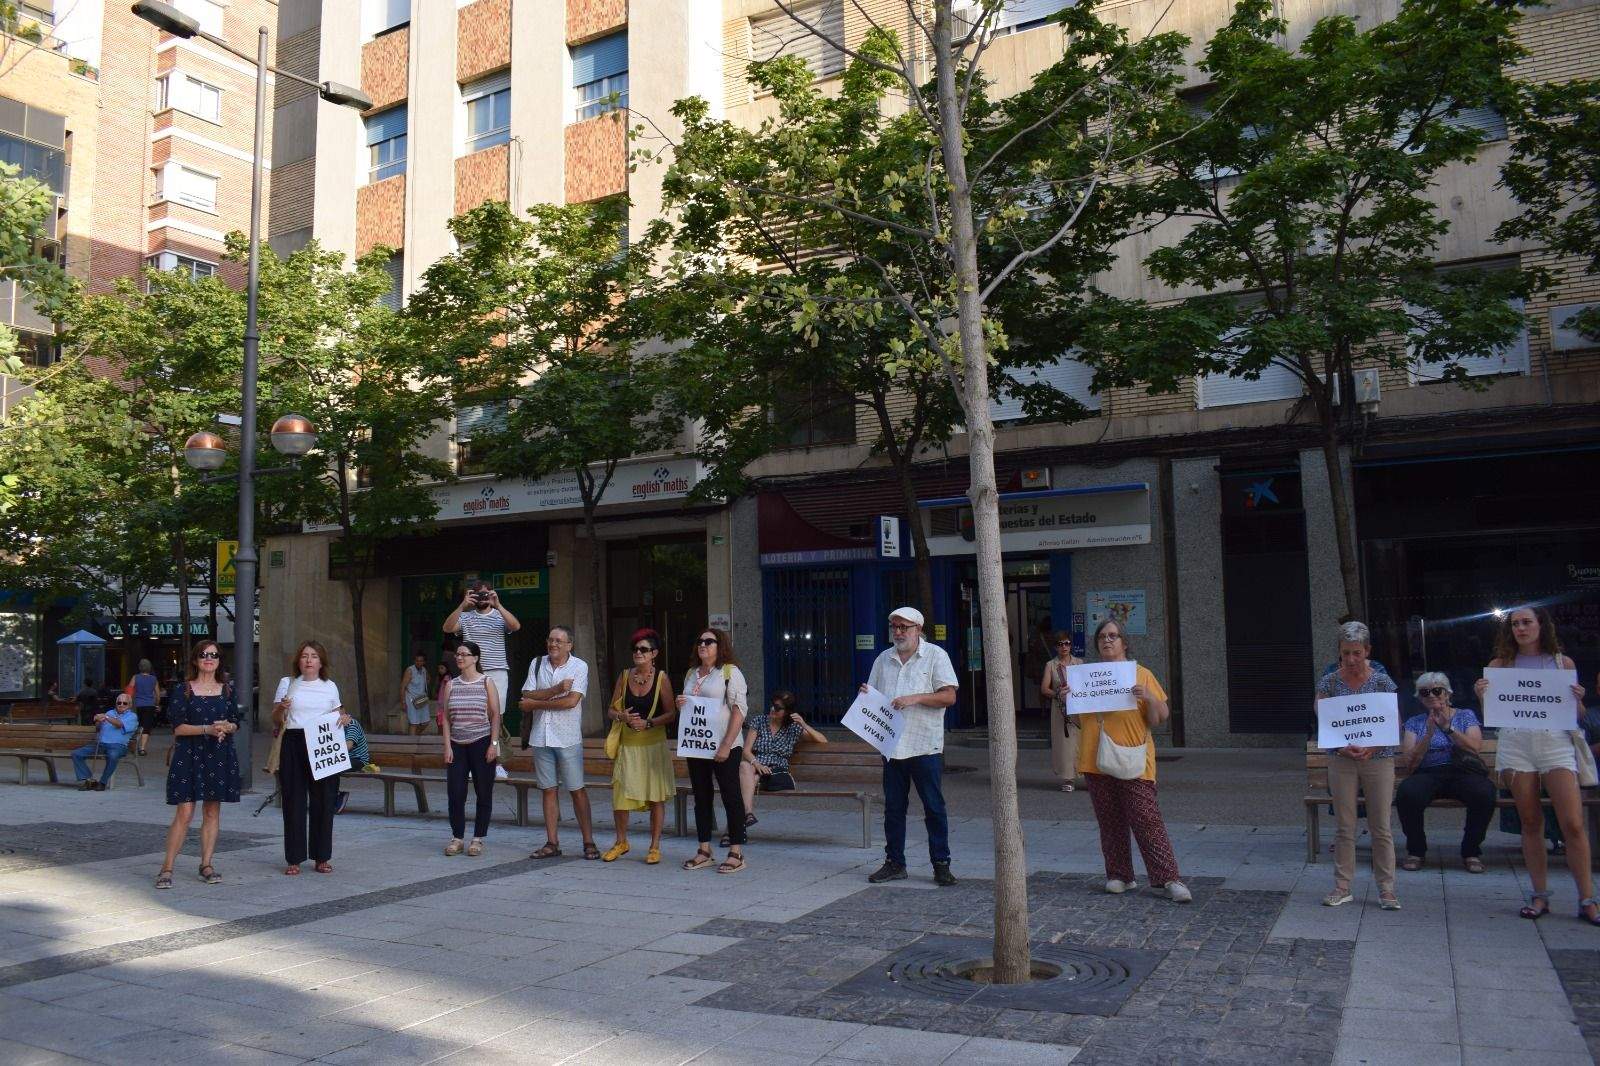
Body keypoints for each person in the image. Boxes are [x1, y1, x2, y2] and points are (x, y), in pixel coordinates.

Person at [1474, 606, 1593, 923]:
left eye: (1527, 622)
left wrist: (1578, 699)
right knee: (1530, 821)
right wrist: (1482, 695)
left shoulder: (1562, 663)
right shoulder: (1500, 665)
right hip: (1517, 743)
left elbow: (1577, 715)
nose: (1521, 629)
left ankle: (1587, 898)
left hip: (1555, 742)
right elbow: (1494, 714)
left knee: (1573, 823)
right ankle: (1540, 896)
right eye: (1515, 624)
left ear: (1541, 625)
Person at [1068, 619, 1192, 903]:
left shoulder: (1141, 674)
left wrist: (1148, 697)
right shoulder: (1086, 677)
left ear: (1124, 642)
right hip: (1095, 758)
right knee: (1109, 820)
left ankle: (1168, 878)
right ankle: (1120, 875)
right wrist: (1069, 699)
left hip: (1133, 757)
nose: (1107, 640)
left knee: (1146, 819)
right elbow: (1078, 721)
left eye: (1113, 636)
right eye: (1102, 636)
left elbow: (1159, 717)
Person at [862, 607, 959, 887]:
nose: (898, 632)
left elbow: (949, 696)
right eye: (894, 627)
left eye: (904, 627)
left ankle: (941, 864)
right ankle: (894, 862)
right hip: (892, 746)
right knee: (893, 808)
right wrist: (866, 697)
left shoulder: (936, 656)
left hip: (924, 744)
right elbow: (874, 696)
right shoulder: (883, 659)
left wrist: (914, 698)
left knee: (933, 807)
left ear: (918, 629)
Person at [1315, 620, 1400, 910]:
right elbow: (1323, 716)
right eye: (1345, 653)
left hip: (1378, 759)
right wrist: (1341, 746)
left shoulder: (1382, 681)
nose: (1351, 659)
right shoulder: (1329, 682)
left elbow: (1393, 721)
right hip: (1342, 759)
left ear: (1367, 651)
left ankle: (1386, 888)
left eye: (1356, 653)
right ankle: (1342, 886)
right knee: (1344, 825)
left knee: (1381, 826)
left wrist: (1372, 747)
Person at [156, 641, 240, 888]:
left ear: (219, 660)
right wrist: (208, 729)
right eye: (204, 654)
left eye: (214, 655)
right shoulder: (183, 690)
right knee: (184, 812)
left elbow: (235, 721)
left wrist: (227, 727)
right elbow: (178, 727)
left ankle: (206, 864)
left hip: (218, 754)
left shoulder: (227, 690)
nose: (209, 658)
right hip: (189, 754)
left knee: (212, 811)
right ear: (195, 660)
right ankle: (167, 867)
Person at [1395, 672, 1495, 873]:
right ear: (1420, 698)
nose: (1431, 695)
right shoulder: (1415, 722)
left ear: (1447, 693)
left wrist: (1448, 728)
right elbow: (1410, 763)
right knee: (1407, 792)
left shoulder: (1465, 715)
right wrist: (1428, 734)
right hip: (1428, 772)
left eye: (1437, 690)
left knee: (1484, 793)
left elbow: (1475, 747)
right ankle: (1416, 850)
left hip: (1463, 771)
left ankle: (1471, 851)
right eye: (1425, 692)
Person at [269, 641, 348, 876]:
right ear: (298, 660)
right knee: (293, 800)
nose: (309, 660)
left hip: (322, 743)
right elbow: (276, 718)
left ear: (321, 662)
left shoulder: (330, 686)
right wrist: (281, 708)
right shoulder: (288, 683)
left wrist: (345, 718)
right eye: (305, 656)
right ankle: (294, 858)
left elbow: (338, 713)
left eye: (314, 656)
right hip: (294, 741)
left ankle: (322, 856)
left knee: (324, 800)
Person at [521, 626, 599, 861]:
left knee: (577, 790)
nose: (553, 644)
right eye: (550, 639)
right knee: (548, 790)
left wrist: (536, 702)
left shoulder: (579, 666)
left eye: (558, 641)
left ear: (569, 645)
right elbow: (526, 694)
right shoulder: (537, 663)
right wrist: (556, 690)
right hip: (540, 735)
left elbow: (571, 702)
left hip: (567, 737)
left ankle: (589, 842)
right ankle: (552, 842)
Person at [678, 627, 750, 875]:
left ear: (720, 646)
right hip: (698, 745)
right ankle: (704, 849)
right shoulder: (691, 673)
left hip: (724, 745)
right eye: (700, 641)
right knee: (701, 796)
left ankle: (736, 852)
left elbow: (739, 710)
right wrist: (681, 703)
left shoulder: (730, 672)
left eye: (709, 642)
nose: (703, 645)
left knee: (731, 796)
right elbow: (691, 708)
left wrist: (726, 744)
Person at [604, 629, 677, 864]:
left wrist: (649, 723)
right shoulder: (625, 676)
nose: (638, 653)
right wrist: (621, 716)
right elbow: (610, 710)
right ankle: (621, 842)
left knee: (656, 797)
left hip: (653, 746)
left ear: (654, 653)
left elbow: (671, 713)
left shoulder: (662, 678)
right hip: (628, 745)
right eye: (635, 649)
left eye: (643, 649)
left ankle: (654, 846)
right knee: (620, 795)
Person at [443, 580, 520, 780]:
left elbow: (515, 626)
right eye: (478, 594)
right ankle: (474, 763)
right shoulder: (466, 617)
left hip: (497, 672)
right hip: (472, 673)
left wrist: (498, 605)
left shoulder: (499, 615)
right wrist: (462, 605)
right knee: (474, 716)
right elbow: (447, 628)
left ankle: (497, 762)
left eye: (486, 594)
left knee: (496, 716)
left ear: (492, 594)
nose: (482, 597)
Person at [440, 640, 501, 856]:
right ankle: (457, 838)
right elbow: (446, 719)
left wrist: (494, 744)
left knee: (483, 792)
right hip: (457, 745)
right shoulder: (451, 684)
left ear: (475, 658)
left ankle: (477, 838)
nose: (459, 657)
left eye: (464, 654)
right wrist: (447, 746)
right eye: (457, 654)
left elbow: (495, 715)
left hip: (482, 742)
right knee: (455, 793)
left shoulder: (486, 682)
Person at [739, 690, 826, 826]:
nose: (773, 709)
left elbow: (823, 740)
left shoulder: (793, 728)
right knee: (745, 765)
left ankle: (737, 824)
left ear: (787, 712)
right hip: (757, 767)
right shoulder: (759, 721)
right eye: (772, 705)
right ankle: (748, 814)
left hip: (778, 772)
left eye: (778, 708)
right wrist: (757, 764)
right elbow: (746, 751)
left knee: (751, 780)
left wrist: (804, 725)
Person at [1039, 630, 1082, 792]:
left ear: (1071, 645)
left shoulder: (1079, 663)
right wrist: (1057, 694)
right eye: (1060, 644)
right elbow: (1044, 688)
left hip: (1078, 708)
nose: (1064, 647)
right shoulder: (1051, 665)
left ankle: (1085, 775)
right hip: (1060, 710)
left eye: (1067, 643)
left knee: (1081, 741)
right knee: (1065, 743)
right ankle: (1068, 778)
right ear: (1055, 647)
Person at [71, 693, 139, 790]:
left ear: (130, 705)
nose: (121, 705)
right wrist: (98, 721)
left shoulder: (132, 716)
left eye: (125, 703)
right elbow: (98, 728)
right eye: (119, 703)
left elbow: (119, 724)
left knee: (113, 755)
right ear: (116, 703)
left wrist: (105, 717)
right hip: (100, 744)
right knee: (76, 754)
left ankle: (102, 782)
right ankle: (89, 780)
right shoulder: (110, 713)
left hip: (118, 746)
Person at [128, 659, 162, 756]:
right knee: (146, 727)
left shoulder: (135, 677)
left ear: (139, 667)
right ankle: (142, 748)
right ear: (150, 668)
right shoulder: (154, 679)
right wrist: (156, 704)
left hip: (137, 705)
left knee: (136, 725)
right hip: (150, 705)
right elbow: (158, 695)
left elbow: (129, 690)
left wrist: (129, 703)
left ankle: (133, 746)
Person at [401, 653, 432, 736]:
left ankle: (414, 737)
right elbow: (403, 687)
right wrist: (403, 702)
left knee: (426, 722)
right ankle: (412, 741)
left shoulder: (424, 670)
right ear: (414, 661)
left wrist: (427, 680)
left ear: (424, 662)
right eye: (417, 661)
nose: (419, 662)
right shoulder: (409, 670)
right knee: (414, 723)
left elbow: (428, 679)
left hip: (422, 699)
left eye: (421, 661)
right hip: (411, 700)